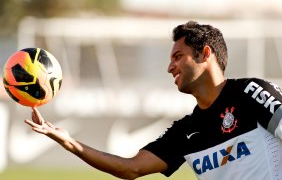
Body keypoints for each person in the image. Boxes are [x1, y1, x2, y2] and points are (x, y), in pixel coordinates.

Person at [25, 21, 282, 180]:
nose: (170, 67)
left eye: (178, 56)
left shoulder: (251, 92)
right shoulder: (187, 131)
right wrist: (69, 142)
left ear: (205, 54)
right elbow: (131, 168)